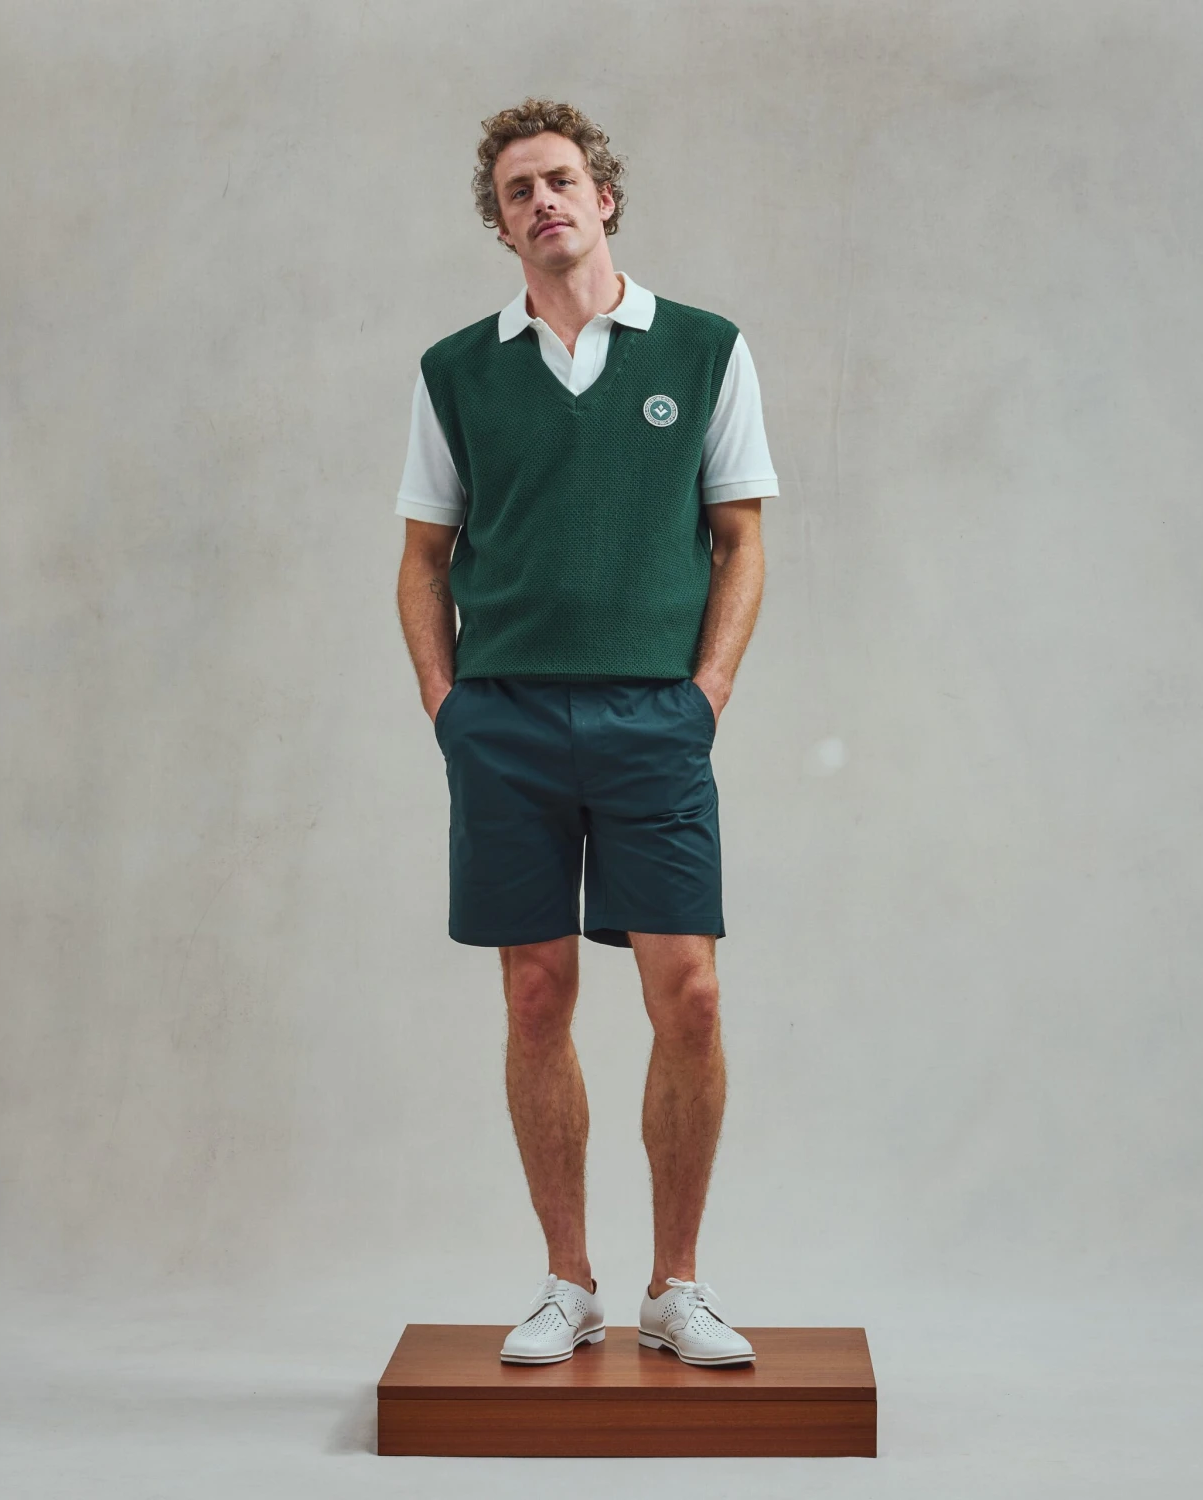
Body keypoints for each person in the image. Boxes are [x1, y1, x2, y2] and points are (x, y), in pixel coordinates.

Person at [394, 98, 779, 1368]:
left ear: (604, 197)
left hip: (653, 717)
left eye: (560, 179)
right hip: (503, 719)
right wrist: (449, 707)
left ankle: (678, 1285)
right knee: (535, 995)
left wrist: (705, 692)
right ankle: (569, 1281)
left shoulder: (706, 350)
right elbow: (422, 558)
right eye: (518, 191)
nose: (543, 201)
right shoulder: (458, 371)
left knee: (692, 997)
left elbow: (741, 541)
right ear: (500, 224)